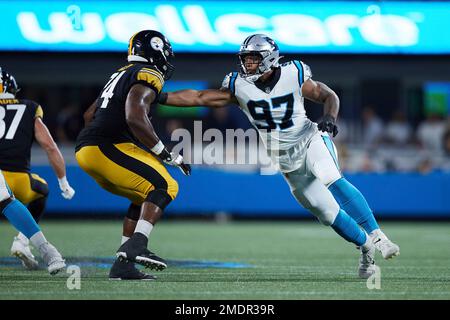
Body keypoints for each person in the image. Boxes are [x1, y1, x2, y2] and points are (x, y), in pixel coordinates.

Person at [158, 34, 400, 279]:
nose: (247, 64)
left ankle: (378, 236)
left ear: (269, 58)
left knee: (330, 176)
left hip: (310, 140)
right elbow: (199, 97)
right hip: (286, 161)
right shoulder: (238, 85)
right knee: (326, 213)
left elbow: (329, 96)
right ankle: (366, 247)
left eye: (253, 58)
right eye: (245, 58)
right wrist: (161, 96)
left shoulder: (292, 73)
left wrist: (329, 118)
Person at [75, 30, 190, 280]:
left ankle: (122, 265)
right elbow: (134, 116)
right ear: (156, 50)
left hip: (90, 148)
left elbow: (87, 115)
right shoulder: (149, 73)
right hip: (108, 145)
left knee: (143, 195)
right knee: (166, 186)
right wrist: (166, 154)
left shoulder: (120, 73)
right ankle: (136, 245)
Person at [0, 68, 75, 270]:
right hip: (18, 179)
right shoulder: (28, 107)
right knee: (33, 192)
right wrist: (63, 181)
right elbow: (50, 146)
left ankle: (42, 249)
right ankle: (29, 244)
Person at [0, 169, 65, 274]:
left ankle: (46, 251)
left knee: (4, 198)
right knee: (5, 199)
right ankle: (43, 250)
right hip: (22, 180)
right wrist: (64, 182)